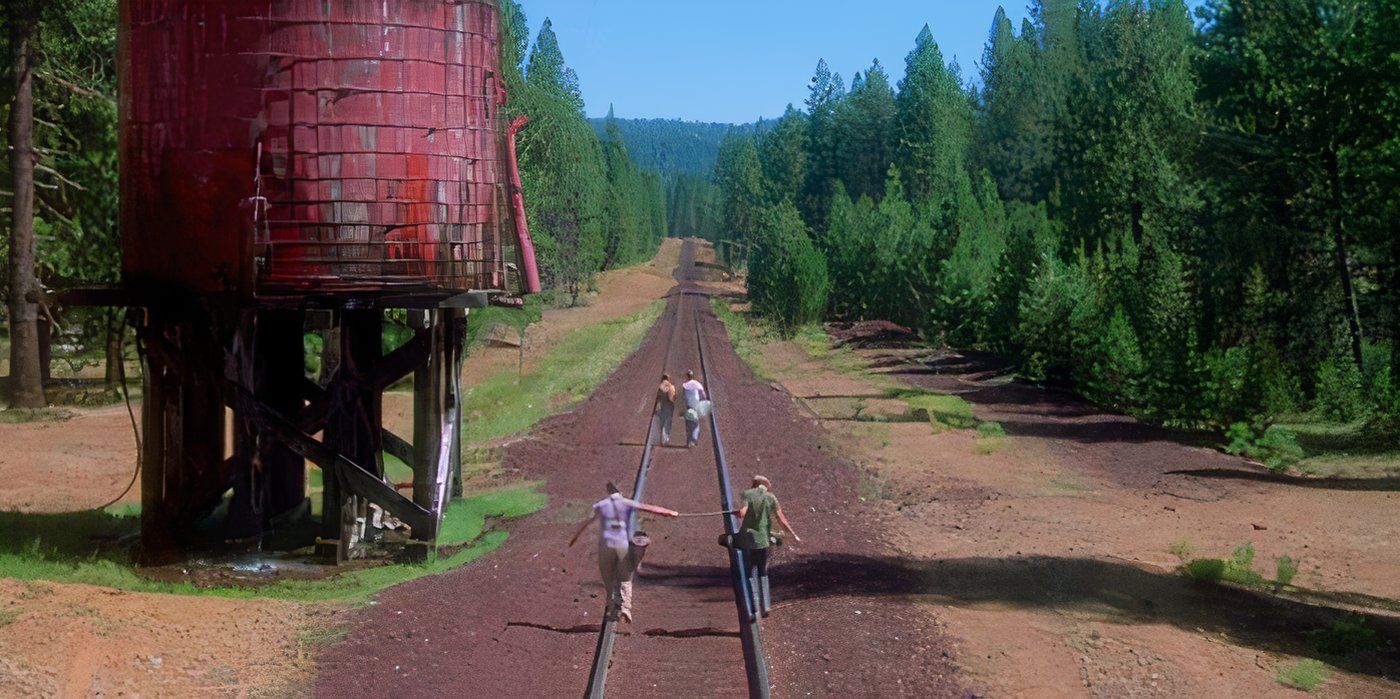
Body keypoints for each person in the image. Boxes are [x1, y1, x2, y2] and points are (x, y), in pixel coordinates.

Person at [569, 482, 679, 623]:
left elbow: (586, 522)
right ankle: (626, 608)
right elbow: (649, 508)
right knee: (625, 577)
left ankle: (613, 607)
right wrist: (670, 513)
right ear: (619, 493)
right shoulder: (625, 502)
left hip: (606, 546)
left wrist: (575, 537)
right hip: (621, 544)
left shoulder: (601, 505)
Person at [734, 475, 800, 619]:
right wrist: (793, 534)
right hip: (763, 539)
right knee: (763, 570)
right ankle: (766, 605)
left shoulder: (747, 494)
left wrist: (737, 513)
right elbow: (781, 519)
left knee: (751, 571)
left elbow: (742, 513)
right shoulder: (771, 497)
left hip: (750, 539)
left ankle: (755, 607)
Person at [681, 370, 708, 448]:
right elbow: (704, 395)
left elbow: (683, 397)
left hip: (689, 406)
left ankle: (689, 441)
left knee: (689, 424)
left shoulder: (685, 385)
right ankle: (694, 439)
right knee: (696, 424)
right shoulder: (697, 384)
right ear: (692, 376)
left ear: (687, 376)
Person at [656, 373, 677, 446]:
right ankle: (665, 440)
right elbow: (671, 398)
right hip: (669, 407)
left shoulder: (659, 387)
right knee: (667, 423)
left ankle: (660, 440)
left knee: (661, 423)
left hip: (661, 407)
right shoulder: (670, 386)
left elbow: (657, 398)